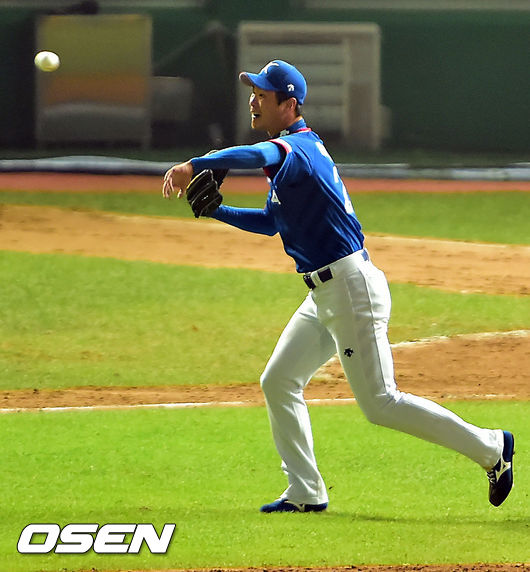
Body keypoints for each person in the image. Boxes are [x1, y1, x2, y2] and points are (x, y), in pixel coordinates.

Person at [162, 60, 514, 513]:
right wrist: (219, 212)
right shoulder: (292, 157)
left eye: (263, 94)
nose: (253, 100)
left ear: (289, 104)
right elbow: (272, 222)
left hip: (350, 289)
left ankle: (491, 448)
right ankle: (305, 491)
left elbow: (255, 155)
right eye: (253, 92)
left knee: (381, 403)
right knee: (279, 381)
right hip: (325, 292)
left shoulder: (298, 148)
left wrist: (196, 163)